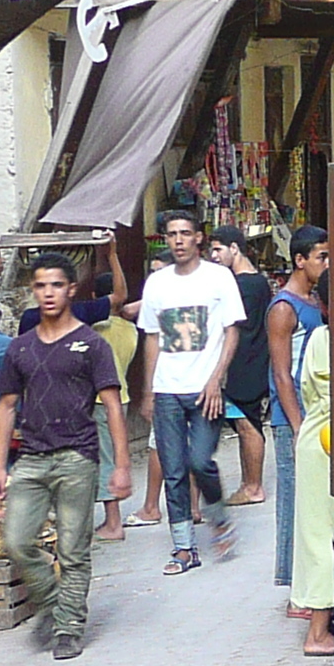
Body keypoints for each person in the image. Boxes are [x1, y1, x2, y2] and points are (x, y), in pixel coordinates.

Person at [0, 253, 131, 660]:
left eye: (56, 285)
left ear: (71, 290)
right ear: (33, 292)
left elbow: (113, 405)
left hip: (77, 457)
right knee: (17, 543)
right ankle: (53, 604)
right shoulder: (20, 348)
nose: (48, 293)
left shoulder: (92, 344)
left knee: (73, 549)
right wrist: (0, 467)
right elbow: (6, 406)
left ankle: (68, 627)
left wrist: (120, 466)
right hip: (31, 459)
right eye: (40, 286)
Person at [140, 207, 244, 575]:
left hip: (205, 388)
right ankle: (184, 547)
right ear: (165, 240)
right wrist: (149, 390)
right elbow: (152, 337)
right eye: (172, 235)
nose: (179, 241)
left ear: (199, 237)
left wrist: (217, 379)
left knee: (200, 460)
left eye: (185, 233)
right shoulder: (157, 283)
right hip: (168, 388)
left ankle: (217, 516)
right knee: (173, 469)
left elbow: (232, 330)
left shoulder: (218, 278)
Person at [266, 226, 330, 607]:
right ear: (300, 260)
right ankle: (295, 591)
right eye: (321, 257)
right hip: (295, 416)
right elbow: (281, 373)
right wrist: (296, 424)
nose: (327, 264)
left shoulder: (316, 300)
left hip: (318, 413)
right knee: (293, 500)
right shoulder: (285, 308)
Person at [290, 294, 334, 655]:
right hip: (332, 441)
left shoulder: (318, 337)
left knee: (314, 534)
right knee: (326, 537)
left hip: (313, 440)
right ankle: (318, 634)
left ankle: (314, 616)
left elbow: (305, 389)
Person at [211, 227, 275, 505]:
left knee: (248, 425)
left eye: (218, 250)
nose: (214, 256)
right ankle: (248, 484)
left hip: (244, 367)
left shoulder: (244, 285)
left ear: (234, 248)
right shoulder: (254, 282)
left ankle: (252, 487)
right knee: (245, 425)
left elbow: (239, 331)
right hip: (249, 364)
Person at [81, 268, 141, 543]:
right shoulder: (131, 330)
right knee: (112, 456)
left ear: (95, 298)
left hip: (99, 400)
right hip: (123, 397)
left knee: (104, 460)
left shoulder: (96, 329)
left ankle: (113, 523)